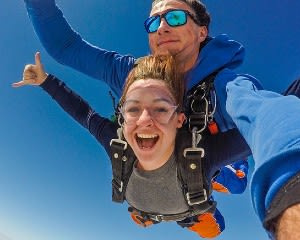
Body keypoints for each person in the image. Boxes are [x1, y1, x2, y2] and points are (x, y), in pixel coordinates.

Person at [23, 0, 300, 238]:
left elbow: (264, 112)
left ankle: (210, 188)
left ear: (202, 31)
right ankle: (171, 211)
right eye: (153, 22)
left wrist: (291, 186)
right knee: (164, 174)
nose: (162, 27)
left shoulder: (225, 87)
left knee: (234, 181)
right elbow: (66, 47)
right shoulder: (130, 75)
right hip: (161, 171)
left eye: (175, 17)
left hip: (207, 154)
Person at [14, 52, 250, 238]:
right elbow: (83, 113)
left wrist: (285, 104)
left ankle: (219, 174)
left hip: (193, 181)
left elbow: (265, 127)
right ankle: (180, 205)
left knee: (234, 190)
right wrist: (45, 81)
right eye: (133, 109)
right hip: (174, 204)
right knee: (211, 228)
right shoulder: (118, 144)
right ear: (123, 118)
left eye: (160, 109)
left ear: (180, 119)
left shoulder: (204, 155)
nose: (145, 121)